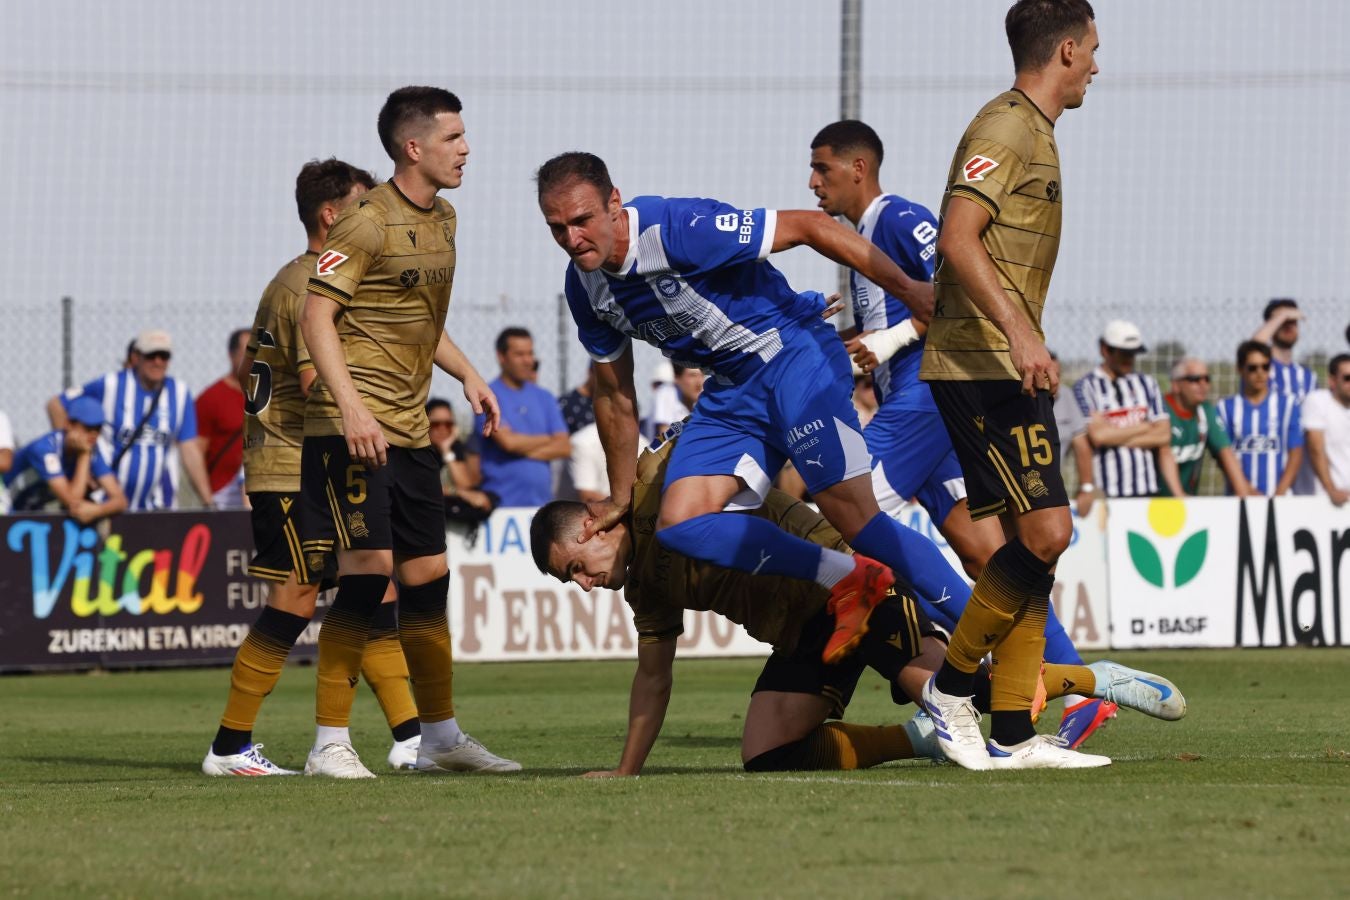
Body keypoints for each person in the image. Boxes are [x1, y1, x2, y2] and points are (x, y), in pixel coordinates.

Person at [536, 150, 977, 674]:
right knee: (682, 522)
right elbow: (612, 395)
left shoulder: (678, 228)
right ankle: (848, 578)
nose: (572, 238)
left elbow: (811, 226)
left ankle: (1012, 652)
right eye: (557, 227)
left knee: (862, 521)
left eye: (582, 220)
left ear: (613, 203)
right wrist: (621, 496)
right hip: (733, 390)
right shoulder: (583, 288)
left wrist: (909, 291)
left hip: (792, 357)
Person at [530, 430, 1185, 775]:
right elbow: (653, 677)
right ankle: (918, 742)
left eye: (576, 570)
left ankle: (1096, 681)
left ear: (592, 525)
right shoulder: (644, 587)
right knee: (767, 754)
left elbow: (746, 443)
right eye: (572, 584)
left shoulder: (662, 486)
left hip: (854, 582)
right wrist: (625, 771)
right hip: (804, 633)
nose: (585, 586)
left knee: (956, 691)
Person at [810, 120, 1112, 747]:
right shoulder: (861, 240)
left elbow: (955, 286)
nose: (814, 184)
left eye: (823, 170)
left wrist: (890, 340)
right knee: (989, 555)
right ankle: (1080, 690)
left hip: (927, 397)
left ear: (858, 168)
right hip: (923, 406)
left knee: (853, 509)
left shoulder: (898, 218)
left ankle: (965, 665)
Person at [299, 85, 516, 778]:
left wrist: (469, 373)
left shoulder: (445, 218)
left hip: (412, 430)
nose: (467, 148)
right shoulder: (364, 221)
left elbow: (418, 319)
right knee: (367, 579)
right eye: (454, 138)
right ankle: (329, 741)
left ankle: (440, 738)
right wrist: (354, 408)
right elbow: (315, 318)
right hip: (351, 430)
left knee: (428, 578)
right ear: (414, 147)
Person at [917, 0, 1106, 769]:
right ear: (1066, 50)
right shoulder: (1004, 126)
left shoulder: (1037, 131)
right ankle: (952, 686)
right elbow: (958, 236)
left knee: (1034, 542)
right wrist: (1023, 333)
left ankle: (1014, 735)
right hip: (980, 362)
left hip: (1005, 361)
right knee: (1048, 533)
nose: (1098, 63)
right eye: (1093, 48)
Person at [202, 158, 424, 777]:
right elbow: (313, 378)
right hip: (293, 466)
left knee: (375, 584)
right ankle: (229, 745)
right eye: (363, 206)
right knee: (297, 599)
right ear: (331, 215)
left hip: (316, 464)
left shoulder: (312, 277)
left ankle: (409, 736)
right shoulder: (309, 284)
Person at [48, 329, 214, 511]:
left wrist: (207, 501)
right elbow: (56, 405)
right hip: (104, 501)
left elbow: (189, 447)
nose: (158, 362)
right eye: (151, 355)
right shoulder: (111, 384)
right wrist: (76, 447)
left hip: (155, 505)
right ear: (136, 357)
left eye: (164, 356)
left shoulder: (180, 393)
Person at [1072, 320, 1183, 499]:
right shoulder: (1085, 387)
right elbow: (1098, 436)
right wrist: (1145, 426)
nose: (1130, 359)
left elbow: (1163, 434)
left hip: (1147, 492)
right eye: (1124, 353)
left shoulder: (1147, 383)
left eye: (1134, 353)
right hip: (1106, 495)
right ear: (1105, 350)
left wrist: (1112, 433)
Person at [471, 327, 571, 507]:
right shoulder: (488, 396)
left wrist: (519, 447)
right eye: (519, 354)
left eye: (530, 353)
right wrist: (550, 439)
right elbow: (508, 442)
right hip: (500, 506)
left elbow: (564, 446)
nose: (528, 361)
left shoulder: (545, 397)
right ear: (502, 357)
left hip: (541, 506)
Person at [4, 396, 127, 522]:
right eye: (88, 428)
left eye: (98, 429)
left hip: (34, 515)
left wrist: (97, 510)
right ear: (69, 424)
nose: (93, 434)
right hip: (8, 510)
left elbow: (120, 500)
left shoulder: (92, 449)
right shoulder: (44, 449)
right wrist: (84, 456)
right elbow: (73, 503)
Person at [1218, 341, 1304, 496]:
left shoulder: (1288, 404)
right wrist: (1249, 492)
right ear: (1240, 369)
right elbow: (1224, 457)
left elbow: (1296, 452)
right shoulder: (1225, 408)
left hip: (1281, 498)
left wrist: (1279, 494)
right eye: (1252, 368)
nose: (1260, 373)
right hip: (1239, 497)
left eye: (1265, 366)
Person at [1253, 298, 1319, 494]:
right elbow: (1254, 348)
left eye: (1293, 321)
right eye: (1282, 321)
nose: (1289, 325)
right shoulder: (1259, 369)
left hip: (1302, 466)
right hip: (1267, 462)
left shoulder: (1308, 376)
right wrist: (1282, 316)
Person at [1163, 357, 1254, 497]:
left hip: (1184, 504)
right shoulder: (1161, 412)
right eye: (1195, 379)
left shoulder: (1205, 411)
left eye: (1207, 379)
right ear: (1176, 385)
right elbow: (1164, 454)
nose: (1203, 384)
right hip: (1149, 502)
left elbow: (1226, 453)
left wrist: (1246, 496)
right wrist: (1179, 496)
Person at [193, 327, 251, 509]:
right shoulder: (210, 399)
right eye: (248, 353)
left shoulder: (270, 396)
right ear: (231, 355)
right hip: (222, 499)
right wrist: (207, 499)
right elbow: (196, 453)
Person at [427, 396, 495, 517]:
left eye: (448, 424)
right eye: (436, 424)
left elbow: (465, 485)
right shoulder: (417, 451)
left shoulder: (455, 448)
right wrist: (458, 493)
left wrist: (446, 450)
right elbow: (424, 488)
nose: (442, 429)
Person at [1300, 353, 1350, 506]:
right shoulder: (1317, 401)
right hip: (1323, 500)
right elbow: (1316, 448)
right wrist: (1331, 489)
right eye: (1348, 378)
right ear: (1332, 381)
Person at [650, 364, 705, 436]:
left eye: (702, 375)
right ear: (677, 378)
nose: (699, 382)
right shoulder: (666, 393)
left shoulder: (702, 402)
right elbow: (666, 438)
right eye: (693, 375)